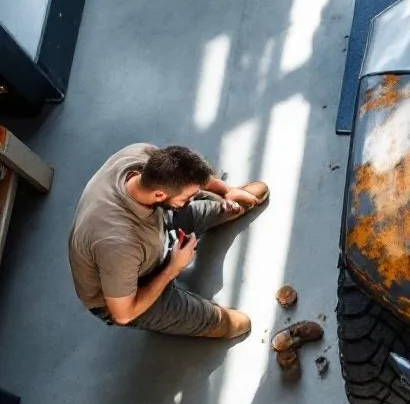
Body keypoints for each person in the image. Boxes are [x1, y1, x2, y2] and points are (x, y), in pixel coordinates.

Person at [68, 143, 269, 338]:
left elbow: (194, 177)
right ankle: (210, 319)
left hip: (158, 225)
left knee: (228, 204)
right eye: (188, 197)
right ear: (159, 194)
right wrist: (173, 267)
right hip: (130, 293)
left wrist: (225, 191)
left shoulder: (141, 156)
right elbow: (123, 314)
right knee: (233, 323)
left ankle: (221, 206)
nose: (192, 198)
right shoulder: (118, 243)